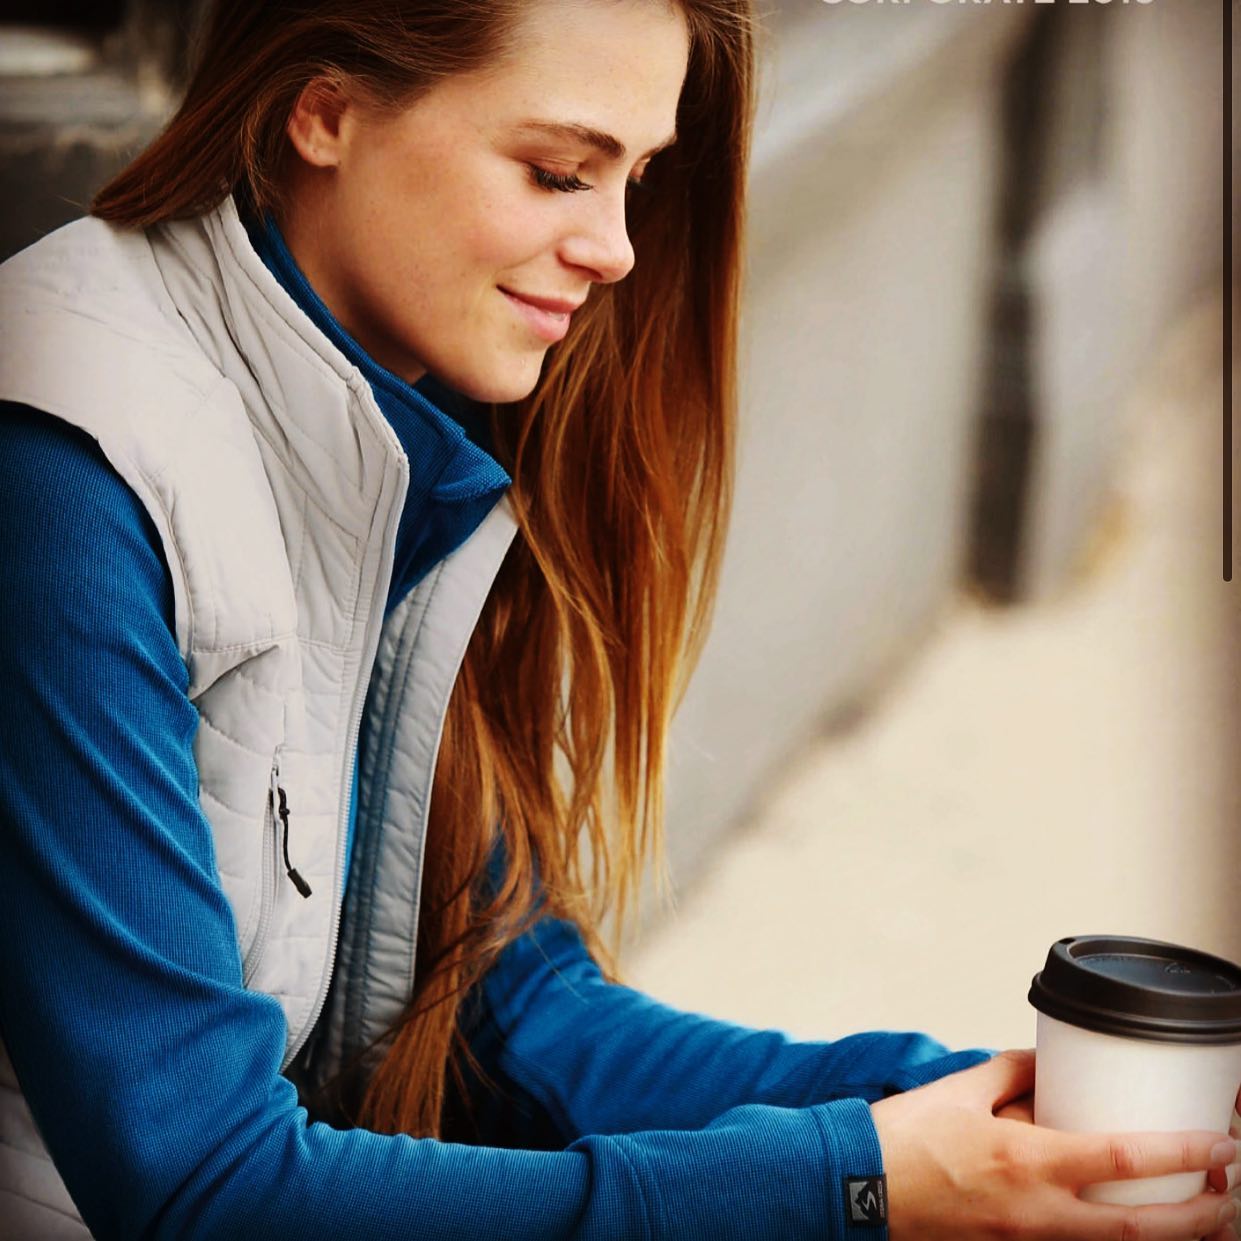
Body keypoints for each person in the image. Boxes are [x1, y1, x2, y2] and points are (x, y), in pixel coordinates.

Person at [0, 1, 1237, 1238]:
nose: (618, 247)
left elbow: (508, 1006)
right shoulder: (65, 473)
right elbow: (203, 1185)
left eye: (635, 178)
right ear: (322, 111)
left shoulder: (390, 422)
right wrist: (851, 1181)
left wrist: (966, 1113)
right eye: (556, 172)